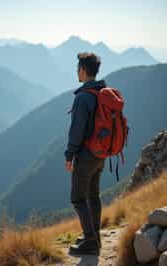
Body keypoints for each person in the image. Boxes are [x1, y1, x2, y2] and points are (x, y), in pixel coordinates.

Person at [64, 52, 106, 256]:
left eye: (77, 68)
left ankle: (90, 242)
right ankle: (94, 236)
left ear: (82, 70)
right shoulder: (102, 92)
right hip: (101, 153)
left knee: (78, 198)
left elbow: (77, 130)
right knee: (93, 195)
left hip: (87, 155)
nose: (76, 72)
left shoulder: (83, 97)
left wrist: (69, 155)